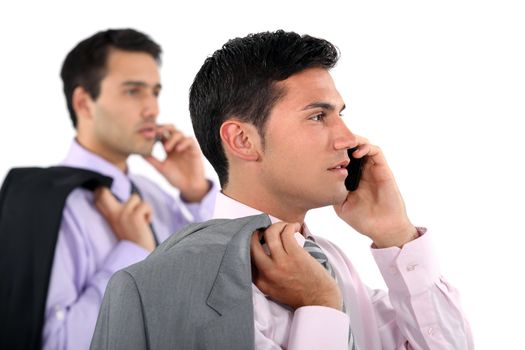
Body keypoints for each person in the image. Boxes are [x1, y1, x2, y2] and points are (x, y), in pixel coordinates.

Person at [90, 30, 473, 349]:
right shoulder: (178, 282)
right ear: (242, 140)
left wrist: (395, 233)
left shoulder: (332, 262)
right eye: (318, 116)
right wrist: (320, 307)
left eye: (341, 114)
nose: (347, 138)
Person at [35, 28, 217, 349]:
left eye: (155, 92)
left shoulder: (157, 197)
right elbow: (55, 343)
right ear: (84, 102)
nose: (152, 109)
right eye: (134, 91)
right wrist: (131, 255)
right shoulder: (46, 206)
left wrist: (196, 192)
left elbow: (221, 283)